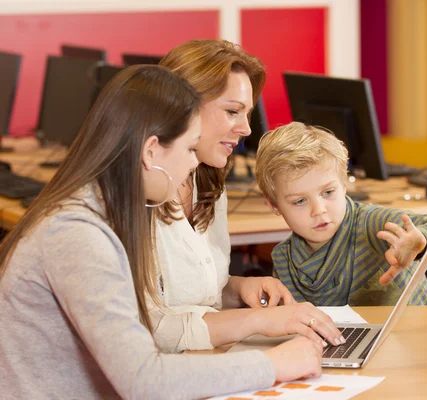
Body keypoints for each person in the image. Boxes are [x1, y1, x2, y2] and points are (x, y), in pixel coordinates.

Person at [0, 65, 324, 399]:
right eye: (188, 148)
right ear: (151, 152)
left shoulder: (97, 211)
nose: (192, 164)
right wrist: (273, 364)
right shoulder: (78, 234)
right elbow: (144, 380)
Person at [149, 39, 345, 353]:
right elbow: (145, 329)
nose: (246, 129)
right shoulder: (132, 198)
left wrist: (239, 289)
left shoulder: (208, 182)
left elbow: (193, 294)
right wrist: (257, 322)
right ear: (180, 106)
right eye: (232, 112)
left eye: (247, 114)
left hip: (204, 360)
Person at [254, 122, 427, 306]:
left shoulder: (370, 224)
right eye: (300, 201)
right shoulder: (284, 261)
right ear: (273, 204)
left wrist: (423, 240)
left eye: (328, 192)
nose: (319, 210)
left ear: (345, 185)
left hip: (416, 342)